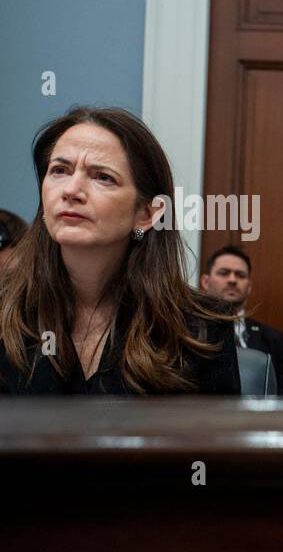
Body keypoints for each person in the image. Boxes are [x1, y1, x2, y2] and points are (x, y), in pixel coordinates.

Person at [0, 107, 239, 394]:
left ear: (147, 214)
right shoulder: (6, 310)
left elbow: (210, 438)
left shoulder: (202, 329)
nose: (71, 190)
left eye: (102, 177)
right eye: (60, 171)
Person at [200, 245, 283, 395]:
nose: (232, 280)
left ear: (249, 287)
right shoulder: (189, 332)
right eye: (224, 273)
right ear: (205, 282)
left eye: (240, 275)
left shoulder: (274, 339)